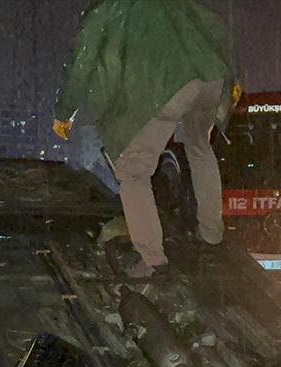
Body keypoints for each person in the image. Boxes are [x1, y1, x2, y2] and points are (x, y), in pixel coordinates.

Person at [53, 0, 238, 277]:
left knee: (134, 172)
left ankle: (152, 260)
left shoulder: (108, 7)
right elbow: (217, 26)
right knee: (200, 148)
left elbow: (83, 60)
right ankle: (212, 235)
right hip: (210, 78)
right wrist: (230, 79)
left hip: (165, 87)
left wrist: (64, 111)